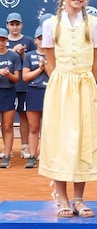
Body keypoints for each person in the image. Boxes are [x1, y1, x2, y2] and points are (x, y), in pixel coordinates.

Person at [38, 0, 97, 218]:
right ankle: (62, 198)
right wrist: (63, 83)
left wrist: (83, 81)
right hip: (60, 88)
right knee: (61, 140)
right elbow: (49, 62)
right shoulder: (51, 24)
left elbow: (96, 61)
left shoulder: (95, 23)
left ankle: (79, 198)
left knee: (83, 140)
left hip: (85, 86)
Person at [5, 12, 36, 163]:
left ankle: (24, 146)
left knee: (23, 115)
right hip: (6, 88)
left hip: (23, 86)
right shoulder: (3, 41)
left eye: (17, 24)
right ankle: (7, 149)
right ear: (7, 25)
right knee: (6, 119)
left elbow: (31, 63)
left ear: (22, 25)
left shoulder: (29, 41)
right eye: (12, 24)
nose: (15, 27)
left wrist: (23, 54)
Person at [21, 26, 48, 169]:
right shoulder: (29, 56)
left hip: (50, 92)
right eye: (40, 38)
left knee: (49, 127)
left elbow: (55, 74)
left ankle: (46, 156)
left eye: (45, 38)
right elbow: (25, 77)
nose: (42, 41)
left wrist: (46, 65)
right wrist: (40, 68)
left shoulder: (54, 54)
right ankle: (32, 156)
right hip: (33, 93)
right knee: (34, 127)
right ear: (36, 40)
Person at [0, 28, 21, 169]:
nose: (1, 42)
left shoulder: (13, 57)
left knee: (7, 126)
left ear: (6, 40)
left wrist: (7, 75)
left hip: (8, 94)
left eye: (3, 39)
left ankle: (6, 156)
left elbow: (17, 79)